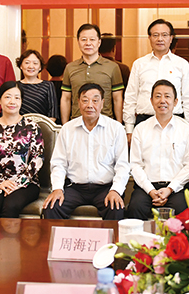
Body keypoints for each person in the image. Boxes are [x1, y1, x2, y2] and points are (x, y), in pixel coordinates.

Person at [42, 83, 130, 220]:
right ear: (78, 102)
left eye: (95, 100)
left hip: (105, 188)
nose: (90, 105)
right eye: (85, 100)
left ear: (102, 103)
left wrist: (116, 190)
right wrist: (57, 188)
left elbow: (122, 165)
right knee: (52, 208)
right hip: (75, 188)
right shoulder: (67, 129)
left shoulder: (116, 129)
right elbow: (58, 163)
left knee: (116, 209)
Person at [127, 80, 189, 220]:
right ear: (151, 100)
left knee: (183, 211)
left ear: (175, 101)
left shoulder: (185, 129)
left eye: (167, 96)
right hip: (146, 188)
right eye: (158, 96)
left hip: (176, 188)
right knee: (135, 208)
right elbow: (135, 165)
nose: (162, 101)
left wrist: (170, 189)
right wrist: (151, 191)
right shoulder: (140, 129)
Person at [0, 82, 44, 218]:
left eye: (17, 97)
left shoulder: (32, 127)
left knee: (11, 205)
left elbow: (37, 159)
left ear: (21, 101)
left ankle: (10, 234)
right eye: (7, 97)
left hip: (26, 183)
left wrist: (18, 183)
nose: (12, 101)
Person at [124, 19, 189, 141]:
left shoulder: (182, 64)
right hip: (144, 121)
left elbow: (188, 98)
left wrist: (188, 126)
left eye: (164, 35)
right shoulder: (139, 64)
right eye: (155, 35)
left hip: (175, 121)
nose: (160, 39)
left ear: (171, 38)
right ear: (149, 38)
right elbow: (131, 97)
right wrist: (129, 128)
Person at [61, 23, 124, 123]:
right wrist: (65, 125)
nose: (88, 43)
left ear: (99, 42)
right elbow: (66, 98)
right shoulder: (70, 68)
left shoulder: (112, 67)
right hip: (77, 122)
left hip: (105, 122)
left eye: (92, 39)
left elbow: (117, 99)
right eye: (84, 39)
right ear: (78, 42)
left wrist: (119, 124)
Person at [16, 49, 59, 122]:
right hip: (19, 126)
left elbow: (53, 114)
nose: (31, 66)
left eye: (35, 63)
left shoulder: (48, 85)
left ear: (40, 67)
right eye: (27, 63)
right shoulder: (15, 86)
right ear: (21, 66)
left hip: (42, 126)